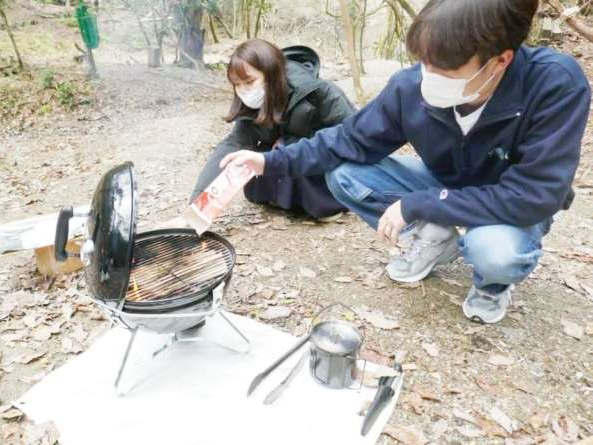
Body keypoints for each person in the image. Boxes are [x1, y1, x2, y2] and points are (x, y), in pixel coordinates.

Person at [220, 0, 591, 324]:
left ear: (499, 61)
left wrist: (421, 203)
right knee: (345, 173)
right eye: (424, 62)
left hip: (507, 202)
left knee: (495, 252)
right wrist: (270, 162)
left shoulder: (553, 85)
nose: (428, 77)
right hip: (447, 181)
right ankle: (435, 240)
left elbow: (535, 195)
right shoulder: (412, 85)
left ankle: (492, 285)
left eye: (445, 68)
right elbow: (348, 140)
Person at [190, 39, 355, 220]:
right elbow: (232, 145)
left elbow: (353, 137)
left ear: (271, 74)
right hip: (283, 161)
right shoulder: (253, 104)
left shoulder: (319, 92)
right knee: (247, 156)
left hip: (321, 164)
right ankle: (283, 198)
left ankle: (326, 203)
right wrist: (197, 206)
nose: (243, 91)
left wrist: (289, 143)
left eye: (249, 81)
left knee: (286, 149)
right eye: (237, 84)